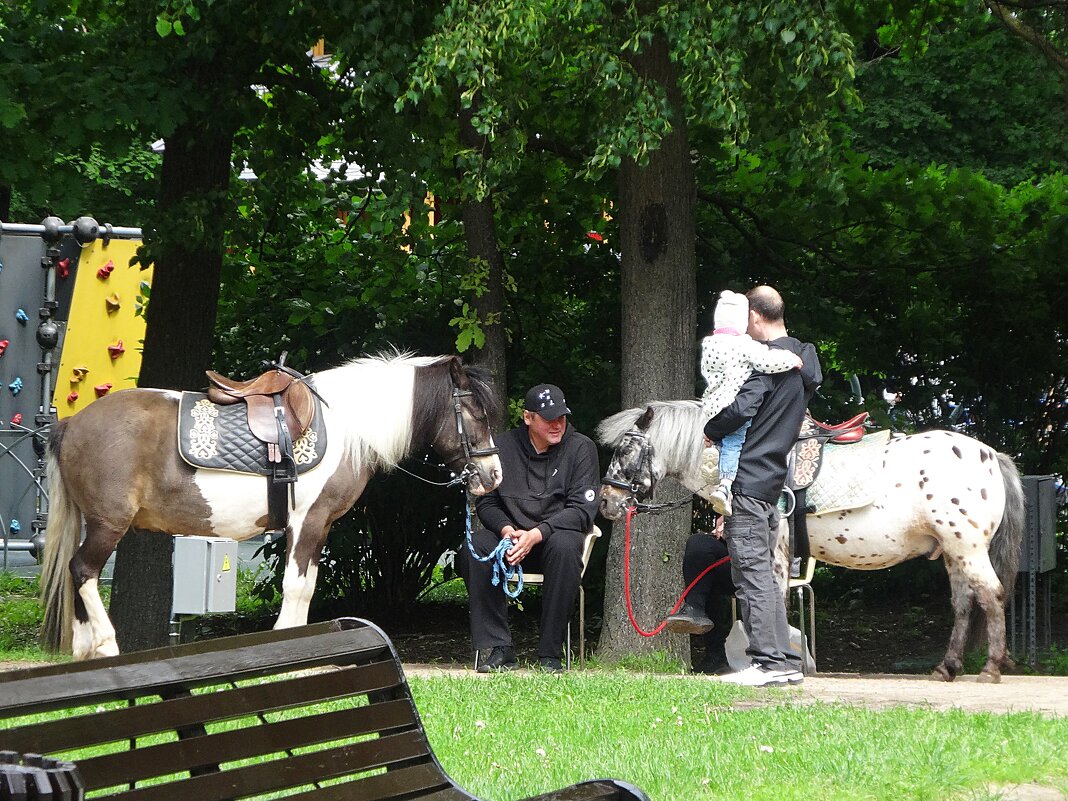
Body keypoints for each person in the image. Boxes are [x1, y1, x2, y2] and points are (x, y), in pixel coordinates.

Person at [703, 285, 822, 687]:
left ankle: (767, 663)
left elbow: (740, 409)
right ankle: (785, 660)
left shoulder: (764, 365)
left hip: (749, 479)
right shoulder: (805, 359)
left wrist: (710, 428)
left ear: (753, 317)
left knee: (751, 573)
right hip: (774, 481)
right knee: (767, 575)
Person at [460, 383, 600, 673]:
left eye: (561, 417)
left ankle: (550, 655)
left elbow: (583, 511)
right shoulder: (503, 447)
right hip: (510, 544)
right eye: (549, 418)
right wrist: (506, 530)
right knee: (475, 547)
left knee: (566, 545)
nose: (557, 424)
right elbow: (487, 503)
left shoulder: (581, 448)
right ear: (528, 418)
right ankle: (500, 649)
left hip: (553, 543)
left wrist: (537, 534)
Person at [699, 290, 803, 516]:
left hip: (712, 407)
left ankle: (718, 474)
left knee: (722, 446)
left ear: (754, 317)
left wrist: (711, 429)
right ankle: (725, 484)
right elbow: (766, 365)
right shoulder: (748, 348)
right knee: (734, 445)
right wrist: (791, 360)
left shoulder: (710, 345)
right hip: (763, 472)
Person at [664, 526, 736, 674]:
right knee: (699, 546)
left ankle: (767, 656)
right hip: (734, 551)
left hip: (762, 555)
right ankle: (694, 610)